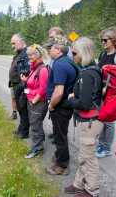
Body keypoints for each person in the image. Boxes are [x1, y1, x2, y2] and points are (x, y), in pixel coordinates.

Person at [64, 37, 103, 197]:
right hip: (92, 121)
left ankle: (92, 190)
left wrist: (72, 98)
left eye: (74, 53)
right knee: (84, 156)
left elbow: (85, 104)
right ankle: (79, 184)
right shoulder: (94, 69)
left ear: (83, 53)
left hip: (89, 122)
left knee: (88, 158)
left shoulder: (87, 74)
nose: (72, 56)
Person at [45, 35, 78, 175]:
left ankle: (62, 166)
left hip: (60, 106)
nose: (48, 50)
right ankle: (60, 157)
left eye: (50, 48)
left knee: (60, 136)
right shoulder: (69, 61)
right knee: (61, 134)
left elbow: (58, 92)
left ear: (58, 49)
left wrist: (51, 106)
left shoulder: (59, 64)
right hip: (66, 105)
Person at [96, 26, 116, 158]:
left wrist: (107, 87)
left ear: (114, 40)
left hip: (113, 92)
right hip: (101, 90)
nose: (102, 42)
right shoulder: (102, 54)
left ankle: (106, 148)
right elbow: (98, 71)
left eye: (105, 40)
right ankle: (102, 144)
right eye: (101, 40)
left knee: (108, 121)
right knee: (101, 117)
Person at [21, 44, 49, 159]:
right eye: (28, 55)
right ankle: (40, 142)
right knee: (35, 124)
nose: (29, 57)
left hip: (37, 102)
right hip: (31, 100)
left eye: (31, 55)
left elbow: (43, 88)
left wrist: (34, 100)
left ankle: (37, 148)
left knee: (35, 125)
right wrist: (26, 80)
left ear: (38, 55)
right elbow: (34, 83)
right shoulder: (34, 67)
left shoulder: (42, 69)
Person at [9, 33, 30, 138]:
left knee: (23, 109)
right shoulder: (18, 53)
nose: (12, 46)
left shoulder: (26, 54)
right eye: (11, 43)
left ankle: (24, 132)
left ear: (21, 42)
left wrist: (23, 88)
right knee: (20, 109)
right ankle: (21, 129)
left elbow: (28, 72)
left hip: (22, 87)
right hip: (16, 86)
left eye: (14, 43)